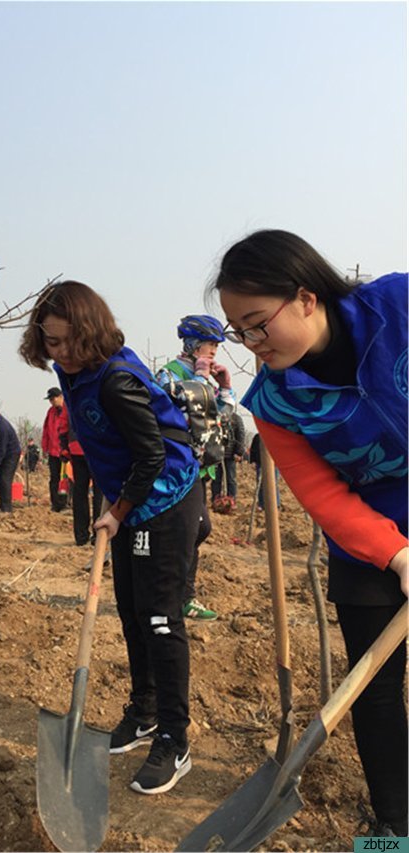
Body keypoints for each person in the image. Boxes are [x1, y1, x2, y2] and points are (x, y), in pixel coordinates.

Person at [211, 229, 407, 837]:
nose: (249, 344)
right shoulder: (274, 402)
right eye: (237, 331)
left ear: (304, 297)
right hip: (371, 538)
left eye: (256, 324)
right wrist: (396, 556)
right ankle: (395, 832)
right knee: (372, 691)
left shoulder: (397, 308)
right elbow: (321, 493)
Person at [20, 280, 200, 795]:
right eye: (51, 342)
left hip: (163, 500)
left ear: (93, 332)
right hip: (130, 497)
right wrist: (113, 496)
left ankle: (174, 736)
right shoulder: (69, 371)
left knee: (161, 618)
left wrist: (117, 510)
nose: (63, 353)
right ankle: (143, 712)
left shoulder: (117, 381)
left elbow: (153, 456)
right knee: (131, 609)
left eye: (72, 342)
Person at [156, 315, 237, 622]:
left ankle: (181, 596)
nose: (214, 350)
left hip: (200, 468)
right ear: (191, 344)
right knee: (191, 530)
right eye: (209, 344)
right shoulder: (169, 375)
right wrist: (202, 381)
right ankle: (178, 598)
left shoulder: (205, 375)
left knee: (196, 530)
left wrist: (225, 387)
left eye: (217, 345)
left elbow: (220, 417)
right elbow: (190, 410)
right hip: (177, 464)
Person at [58, 403, 103, 546]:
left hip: (76, 446)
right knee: (99, 491)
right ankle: (99, 535)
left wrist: (64, 446)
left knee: (80, 491)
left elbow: (63, 424)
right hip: (98, 446)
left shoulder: (69, 393)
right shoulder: (99, 387)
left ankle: (81, 536)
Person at [0, 407, 21, 513]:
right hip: (4, 455)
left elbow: (1, 449)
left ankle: (6, 508)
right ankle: (2, 506)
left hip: (11, 455)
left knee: (4, 480)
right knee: (0, 480)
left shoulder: (2, 428)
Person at [211, 410, 245, 509]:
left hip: (230, 455)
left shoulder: (236, 419)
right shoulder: (215, 416)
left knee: (231, 478)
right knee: (216, 478)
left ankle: (232, 499)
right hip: (217, 454)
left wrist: (238, 452)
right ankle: (215, 499)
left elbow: (240, 436)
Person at [41, 387, 67, 512]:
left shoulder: (69, 409)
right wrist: (45, 447)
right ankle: (55, 504)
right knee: (54, 478)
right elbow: (46, 430)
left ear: (61, 397)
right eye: (50, 399)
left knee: (67, 479)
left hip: (67, 451)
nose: (51, 401)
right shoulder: (50, 412)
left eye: (53, 399)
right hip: (53, 451)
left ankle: (65, 503)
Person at [249, 431, 280, 510]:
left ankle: (276, 503)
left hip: (274, 464)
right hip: (260, 464)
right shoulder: (257, 437)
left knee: (273, 483)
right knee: (260, 484)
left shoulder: (275, 437)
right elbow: (253, 450)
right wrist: (252, 461)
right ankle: (261, 504)